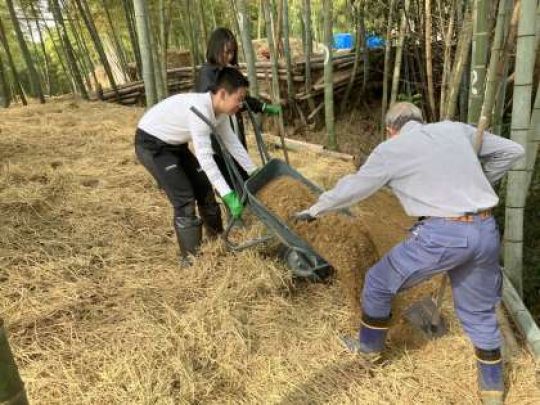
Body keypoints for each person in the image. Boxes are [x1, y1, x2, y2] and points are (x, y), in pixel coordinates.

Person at [294, 102, 525, 404]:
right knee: (480, 313)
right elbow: (514, 151)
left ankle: (368, 353)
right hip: (484, 229)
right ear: (421, 120)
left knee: (377, 281)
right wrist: (477, 184)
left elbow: (355, 187)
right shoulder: (455, 129)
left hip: (443, 235)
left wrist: (316, 208)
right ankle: (492, 391)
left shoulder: (392, 149)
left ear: (391, 130)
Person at [135, 67, 257, 265]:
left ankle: (217, 241)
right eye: (239, 98)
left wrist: (255, 172)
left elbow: (232, 144)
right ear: (223, 94)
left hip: (175, 144)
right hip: (152, 144)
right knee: (184, 197)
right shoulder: (199, 110)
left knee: (204, 188)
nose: (241, 104)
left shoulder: (221, 113)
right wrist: (228, 194)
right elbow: (206, 158)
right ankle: (190, 260)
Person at [195, 27, 280, 186]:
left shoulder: (226, 71)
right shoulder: (207, 74)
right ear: (215, 48)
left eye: (232, 52)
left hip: (232, 125)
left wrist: (261, 106)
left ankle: (247, 194)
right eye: (226, 52)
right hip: (217, 132)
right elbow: (210, 104)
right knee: (229, 171)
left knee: (240, 160)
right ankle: (235, 200)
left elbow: (241, 97)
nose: (229, 56)